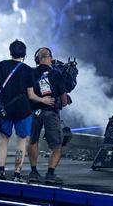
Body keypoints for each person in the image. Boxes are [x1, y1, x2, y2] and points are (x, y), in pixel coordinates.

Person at [0, 40, 53, 182]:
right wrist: (43, 100)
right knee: (21, 141)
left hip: (6, 108)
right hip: (23, 109)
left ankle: (1, 171)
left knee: (3, 139)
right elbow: (31, 95)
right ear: (24, 53)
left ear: (10, 51)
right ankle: (17, 173)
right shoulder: (28, 70)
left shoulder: (1, 65)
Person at [28, 47, 69, 185]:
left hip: (34, 112)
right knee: (56, 146)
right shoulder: (58, 74)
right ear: (50, 58)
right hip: (51, 113)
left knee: (33, 141)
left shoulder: (31, 73)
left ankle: (33, 172)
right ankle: (50, 174)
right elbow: (64, 101)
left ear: (37, 59)